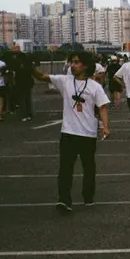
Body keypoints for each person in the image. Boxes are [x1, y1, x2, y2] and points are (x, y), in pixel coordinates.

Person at [31, 51, 111, 212]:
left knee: (89, 167)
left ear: (86, 66)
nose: (72, 65)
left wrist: (105, 126)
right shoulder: (65, 81)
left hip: (88, 133)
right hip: (68, 132)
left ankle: (88, 196)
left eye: (76, 62)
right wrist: (29, 67)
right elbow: (42, 77)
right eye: (72, 62)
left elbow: (102, 107)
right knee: (65, 168)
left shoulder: (94, 86)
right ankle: (64, 200)